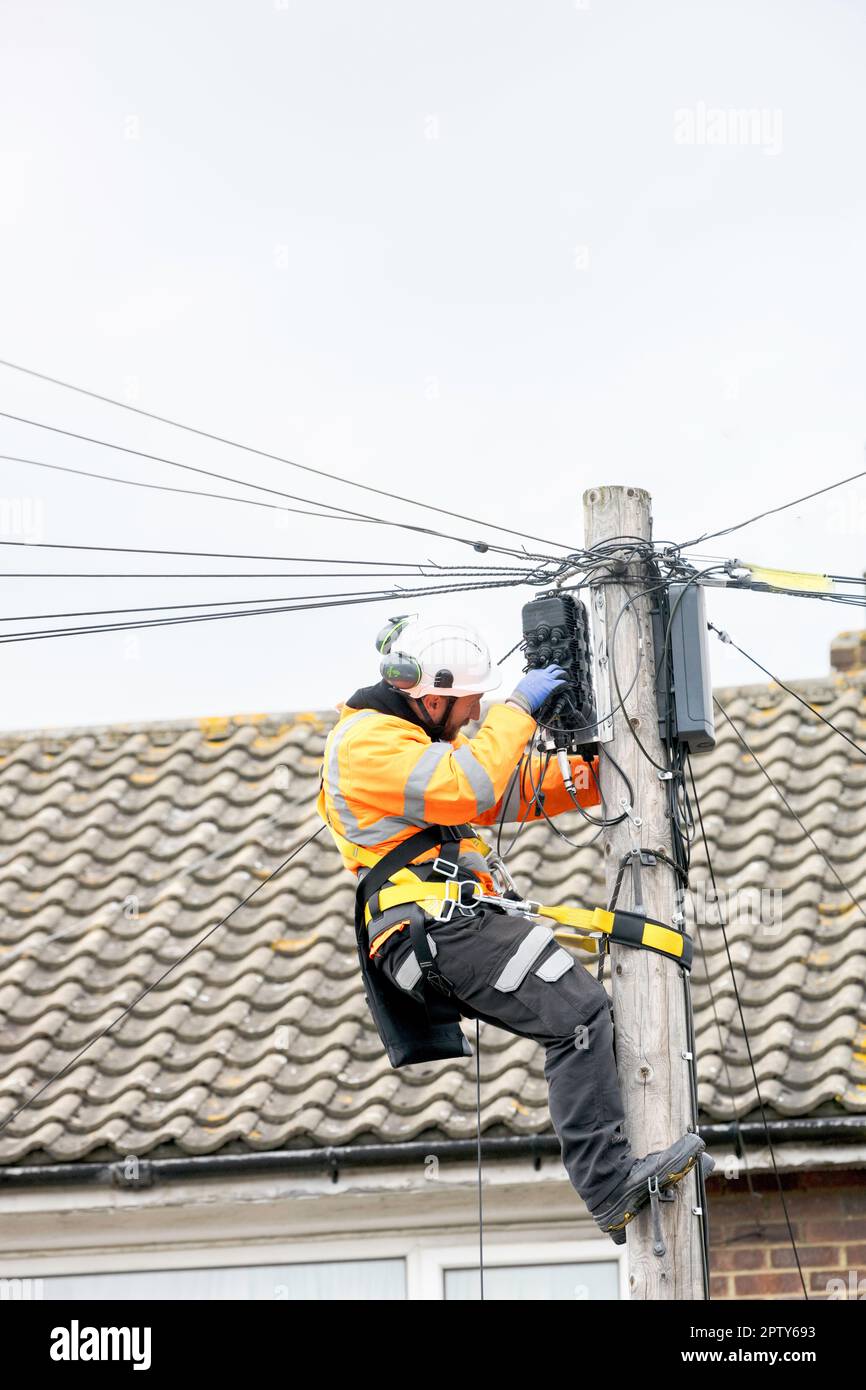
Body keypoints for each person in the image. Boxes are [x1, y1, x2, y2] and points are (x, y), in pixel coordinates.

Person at [317, 615, 711, 1243]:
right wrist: (519, 710)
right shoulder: (364, 743)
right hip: (435, 929)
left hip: (453, 926)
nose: (476, 717)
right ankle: (610, 1185)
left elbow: (499, 789)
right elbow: (467, 786)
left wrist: (594, 773)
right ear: (434, 695)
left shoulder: (412, 745)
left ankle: (613, 1178)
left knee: (577, 1016)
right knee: (578, 1012)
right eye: (470, 705)